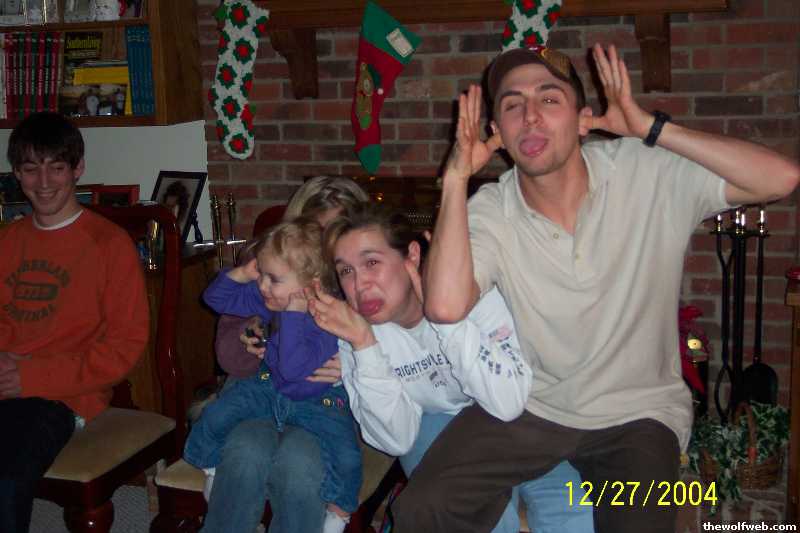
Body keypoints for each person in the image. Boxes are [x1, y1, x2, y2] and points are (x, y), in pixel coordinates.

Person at [390, 43, 800, 533]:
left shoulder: (645, 170)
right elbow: (444, 306)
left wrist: (651, 128)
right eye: (513, 105)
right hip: (537, 407)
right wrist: (456, 177)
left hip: (638, 415)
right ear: (497, 131)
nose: (530, 116)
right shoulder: (491, 209)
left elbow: (781, 177)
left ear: (584, 119)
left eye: (549, 99)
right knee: (420, 507)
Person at [306, 203, 593, 533]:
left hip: (521, 419)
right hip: (435, 423)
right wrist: (365, 346)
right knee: (477, 518)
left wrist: (447, 320)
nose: (360, 284)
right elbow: (395, 440)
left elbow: (508, 404)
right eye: (346, 271)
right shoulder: (355, 334)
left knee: (578, 514)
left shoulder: (476, 290)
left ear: (412, 255)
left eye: (371, 262)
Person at [0, 112, 149, 532]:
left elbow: (123, 350)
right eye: (31, 168)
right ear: (17, 174)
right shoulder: (8, 240)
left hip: (64, 396)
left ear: (78, 169)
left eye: (57, 167)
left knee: (5, 478)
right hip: (7, 381)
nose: (44, 181)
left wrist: (28, 377)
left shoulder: (109, 245)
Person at [201, 176, 370, 533]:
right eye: (315, 234)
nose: (323, 250)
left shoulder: (363, 284)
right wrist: (248, 337)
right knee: (245, 450)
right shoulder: (268, 271)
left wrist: (355, 365)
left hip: (323, 404)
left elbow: (395, 355)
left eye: (334, 237)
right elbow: (228, 357)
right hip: (261, 389)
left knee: (300, 464)